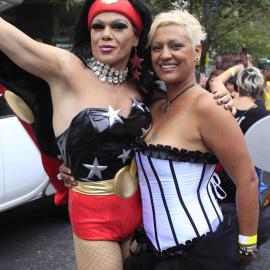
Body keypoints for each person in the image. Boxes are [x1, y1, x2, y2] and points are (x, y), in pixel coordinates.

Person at [0, 1, 156, 269]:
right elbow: (12, 40)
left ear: (136, 38)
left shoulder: (144, 86)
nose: (105, 33)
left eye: (118, 26)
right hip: (94, 218)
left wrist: (221, 96)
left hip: (144, 214)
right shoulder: (67, 69)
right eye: (98, 26)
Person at [121, 10, 258, 270]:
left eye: (176, 46)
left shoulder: (209, 108)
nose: (165, 55)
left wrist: (246, 246)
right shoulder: (153, 103)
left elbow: (247, 179)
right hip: (151, 251)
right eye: (157, 47)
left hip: (200, 254)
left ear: (196, 51)